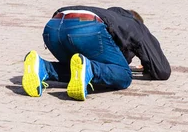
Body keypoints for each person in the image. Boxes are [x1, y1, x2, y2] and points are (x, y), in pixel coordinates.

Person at [22, 6, 171, 101]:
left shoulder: (109, 16)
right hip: (86, 28)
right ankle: (91, 69)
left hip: (52, 28)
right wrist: (146, 65)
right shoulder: (135, 24)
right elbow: (162, 70)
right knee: (124, 76)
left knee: (77, 67)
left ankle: (43, 67)